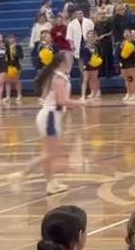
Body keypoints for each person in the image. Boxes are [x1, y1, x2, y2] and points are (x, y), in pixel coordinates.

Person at [13, 52, 84, 195]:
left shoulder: (56, 76)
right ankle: (20, 175)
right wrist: (82, 103)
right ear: (63, 62)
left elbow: (53, 99)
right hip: (50, 117)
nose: (72, 61)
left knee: (50, 153)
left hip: (50, 116)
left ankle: (51, 183)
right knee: (51, 153)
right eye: (70, 58)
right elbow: (62, 101)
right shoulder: (59, 78)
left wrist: (71, 105)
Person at [80, 31, 103, 102]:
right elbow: (82, 55)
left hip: (94, 64)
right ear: (87, 37)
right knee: (85, 79)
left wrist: (97, 62)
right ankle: (83, 95)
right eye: (89, 37)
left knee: (94, 79)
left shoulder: (97, 46)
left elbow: (100, 55)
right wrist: (87, 62)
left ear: (94, 37)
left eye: (92, 36)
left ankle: (95, 93)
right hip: (86, 64)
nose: (90, 38)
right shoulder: (84, 46)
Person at [120, 29, 135, 103]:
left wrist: (133, 51)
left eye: (128, 33)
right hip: (124, 63)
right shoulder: (122, 43)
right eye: (125, 33)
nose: (126, 35)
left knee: (133, 78)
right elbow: (118, 53)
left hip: (133, 63)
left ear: (130, 34)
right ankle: (128, 93)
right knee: (127, 79)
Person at [5, 34, 23, 103]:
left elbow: (21, 56)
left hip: (16, 66)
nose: (11, 39)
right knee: (7, 82)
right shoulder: (6, 47)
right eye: (9, 38)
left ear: (15, 39)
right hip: (8, 66)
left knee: (17, 81)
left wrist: (15, 53)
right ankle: (8, 96)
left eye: (12, 38)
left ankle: (19, 95)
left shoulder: (18, 46)